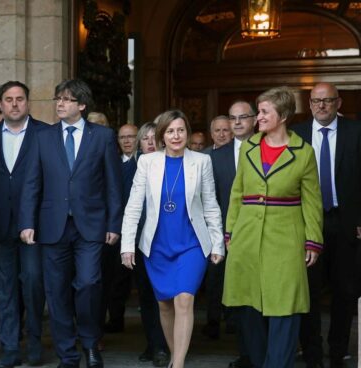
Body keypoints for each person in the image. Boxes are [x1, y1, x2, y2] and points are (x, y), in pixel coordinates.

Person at [19, 79, 122, 368]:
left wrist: (114, 224)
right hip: (52, 226)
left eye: (66, 99)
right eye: (58, 99)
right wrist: (27, 222)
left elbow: (113, 185)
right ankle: (67, 353)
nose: (60, 104)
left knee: (89, 282)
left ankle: (90, 343)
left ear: (82, 105)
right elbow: (31, 183)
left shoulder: (102, 136)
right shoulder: (42, 137)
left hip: (91, 225)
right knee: (57, 291)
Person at [222, 87, 323, 368]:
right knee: (248, 306)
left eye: (265, 112)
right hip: (247, 238)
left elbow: (312, 202)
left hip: (286, 241)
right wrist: (230, 232)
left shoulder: (303, 154)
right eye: (260, 111)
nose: (259, 118)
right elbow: (237, 193)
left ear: (283, 115)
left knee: (285, 309)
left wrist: (313, 240)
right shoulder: (249, 148)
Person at [120, 109, 224, 368]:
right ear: (161, 136)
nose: (176, 135)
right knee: (165, 305)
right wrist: (126, 246)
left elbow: (211, 205)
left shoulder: (201, 162)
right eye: (170, 131)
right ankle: (175, 354)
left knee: (184, 299)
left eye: (180, 130)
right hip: (157, 246)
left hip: (191, 244)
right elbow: (133, 206)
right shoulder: (147, 162)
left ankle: (177, 364)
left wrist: (217, 243)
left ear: (187, 133)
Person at [0, 81, 46, 368]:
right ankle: (9, 346)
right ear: (1, 103)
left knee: (32, 282)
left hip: (35, 226)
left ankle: (35, 342)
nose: (14, 104)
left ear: (28, 103)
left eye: (19, 99)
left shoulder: (46, 134)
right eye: (8, 99)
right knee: (3, 289)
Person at [293, 82, 361, 368]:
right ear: (309, 105)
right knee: (307, 290)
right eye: (316, 101)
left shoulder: (355, 132)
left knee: (344, 291)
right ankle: (310, 352)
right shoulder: (296, 135)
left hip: (345, 223)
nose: (322, 106)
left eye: (328, 101)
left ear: (338, 103)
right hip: (307, 223)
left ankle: (337, 351)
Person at [207, 100, 257, 368]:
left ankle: (262, 351)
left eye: (243, 117)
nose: (237, 123)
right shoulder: (214, 157)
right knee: (234, 295)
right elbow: (209, 200)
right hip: (226, 235)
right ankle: (246, 353)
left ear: (254, 120)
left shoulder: (269, 150)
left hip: (261, 235)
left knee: (258, 297)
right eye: (233, 118)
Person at [129, 121, 171, 367]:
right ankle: (153, 343)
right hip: (139, 242)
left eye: (155, 137)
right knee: (145, 296)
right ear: (139, 143)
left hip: (165, 242)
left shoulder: (171, 166)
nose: (150, 142)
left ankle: (163, 346)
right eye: (145, 138)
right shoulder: (129, 168)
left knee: (163, 296)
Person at [98, 124, 137, 341]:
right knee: (111, 276)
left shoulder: (143, 162)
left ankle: (117, 317)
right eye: (122, 137)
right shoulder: (112, 161)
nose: (127, 141)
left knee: (124, 277)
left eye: (131, 136)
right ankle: (113, 318)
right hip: (113, 226)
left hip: (135, 227)